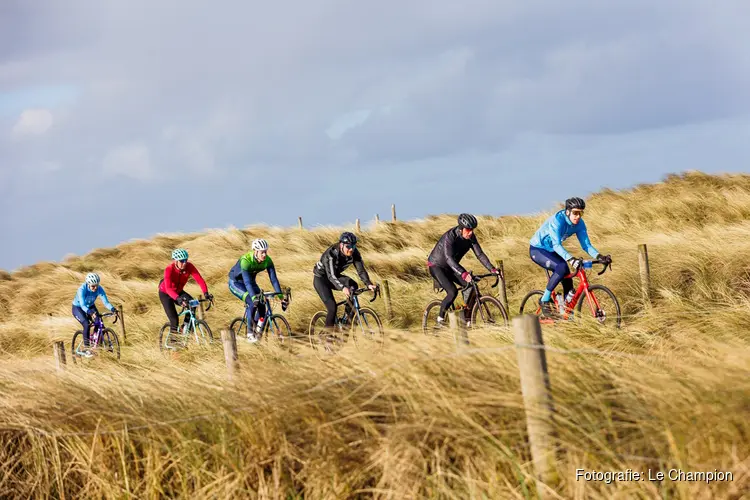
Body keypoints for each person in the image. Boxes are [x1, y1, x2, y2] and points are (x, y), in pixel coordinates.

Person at [529, 197, 612, 318]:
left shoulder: (580, 224)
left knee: (567, 275)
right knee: (562, 267)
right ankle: (544, 300)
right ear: (567, 211)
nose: (578, 216)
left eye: (580, 213)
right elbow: (557, 244)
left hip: (552, 250)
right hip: (538, 249)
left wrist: (600, 256)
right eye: (575, 213)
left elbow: (586, 245)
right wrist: (571, 259)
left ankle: (567, 311)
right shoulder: (557, 221)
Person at [427, 213, 500, 326]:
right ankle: (440, 319)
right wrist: (463, 273)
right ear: (461, 229)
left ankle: (466, 318)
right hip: (437, 266)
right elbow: (448, 258)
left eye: (472, 230)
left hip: (452, 266)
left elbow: (479, 254)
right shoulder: (450, 237)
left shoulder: (471, 237)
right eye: (468, 229)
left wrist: (492, 269)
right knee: (452, 291)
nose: (470, 232)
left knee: (470, 285)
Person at [313, 231, 377, 329]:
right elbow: (331, 276)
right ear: (341, 245)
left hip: (334, 276)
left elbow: (361, 270)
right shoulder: (331, 254)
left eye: (353, 246)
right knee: (332, 307)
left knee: (353, 286)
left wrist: (368, 283)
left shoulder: (354, 252)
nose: (351, 249)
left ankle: (347, 322)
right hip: (321, 279)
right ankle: (328, 338)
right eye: (348, 247)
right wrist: (342, 288)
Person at [228, 238, 286, 342]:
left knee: (262, 304)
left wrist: (281, 297)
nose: (264, 254)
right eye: (262, 252)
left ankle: (257, 331)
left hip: (251, 282)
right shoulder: (246, 260)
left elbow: (274, 280)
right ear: (256, 251)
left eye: (266, 252)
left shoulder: (267, 261)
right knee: (252, 301)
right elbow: (247, 282)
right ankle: (250, 334)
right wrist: (254, 297)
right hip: (237, 283)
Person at [158, 248, 213, 338]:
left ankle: (185, 328)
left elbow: (200, 280)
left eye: (186, 260)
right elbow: (168, 289)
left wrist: (206, 293)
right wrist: (178, 299)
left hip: (178, 291)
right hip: (166, 293)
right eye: (182, 261)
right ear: (175, 261)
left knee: (192, 304)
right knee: (174, 320)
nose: (184, 263)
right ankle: (173, 345)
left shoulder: (189, 266)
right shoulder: (169, 269)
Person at [71, 272, 117, 358]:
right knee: (86, 324)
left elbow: (106, 302)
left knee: (99, 322)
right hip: (78, 308)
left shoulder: (99, 289)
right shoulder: (82, 290)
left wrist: (113, 309)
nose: (95, 288)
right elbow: (83, 305)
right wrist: (90, 312)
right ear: (88, 284)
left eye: (96, 285)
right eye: (93, 286)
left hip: (90, 306)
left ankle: (95, 345)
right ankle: (87, 347)